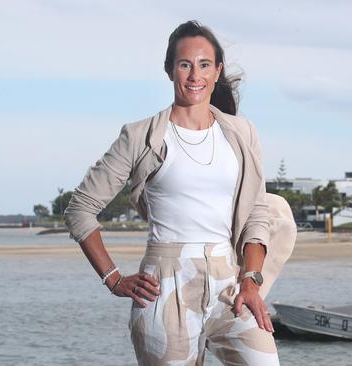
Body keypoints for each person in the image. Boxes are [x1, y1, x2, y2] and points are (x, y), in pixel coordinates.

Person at [64, 20, 291, 366]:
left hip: (230, 284)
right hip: (164, 285)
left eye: (204, 65)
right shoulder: (141, 135)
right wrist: (113, 279)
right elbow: (80, 208)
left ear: (217, 71)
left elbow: (257, 213)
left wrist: (251, 280)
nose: (194, 75)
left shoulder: (242, 133)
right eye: (185, 64)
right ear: (170, 70)